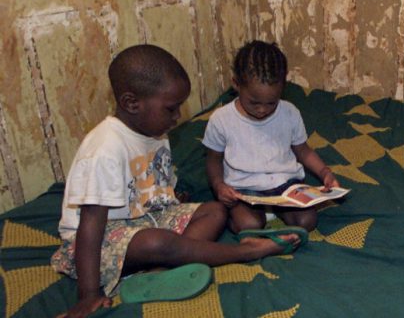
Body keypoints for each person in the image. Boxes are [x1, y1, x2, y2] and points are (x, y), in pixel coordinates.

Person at [51, 44, 301, 318]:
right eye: (171, 109)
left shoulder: (153, 132)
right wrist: (88, 296)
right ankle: (244, 252)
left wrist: (170, 200)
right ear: (131, 103)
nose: (178, 117)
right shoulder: (105, 148)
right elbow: (90, 223)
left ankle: (158, 274)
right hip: (94, 242)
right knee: (157, 243)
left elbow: (152, 184)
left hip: (146, 219)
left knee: (215, 210)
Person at [203, 40, 340, 234]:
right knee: (248, 225)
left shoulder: (290, 112)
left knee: (307, 220)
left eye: (271, 103)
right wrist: (219, 186)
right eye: (254, 102)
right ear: (236, 84)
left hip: (285, 185)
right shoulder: (221, 119)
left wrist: (325, 173)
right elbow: (213, 160)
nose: (262, 110)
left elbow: (303, 150)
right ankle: (241, 216)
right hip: (244, 190)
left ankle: (276, 212)